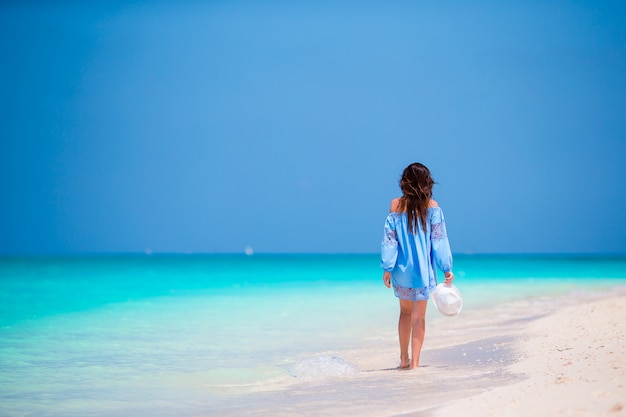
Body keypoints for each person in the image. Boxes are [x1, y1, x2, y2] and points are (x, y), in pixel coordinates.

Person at [381, 162, 454, 370]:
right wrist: (446, 267)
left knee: (404, 313)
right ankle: (415, 364)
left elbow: (390, 240)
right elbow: (440, 240)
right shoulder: (432, 207)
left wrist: (387, 267)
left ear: (405, 182)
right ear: (426, 182)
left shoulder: (395, 205)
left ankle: (403, 359)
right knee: (418, 317)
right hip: (422, 271)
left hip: (401, 270)